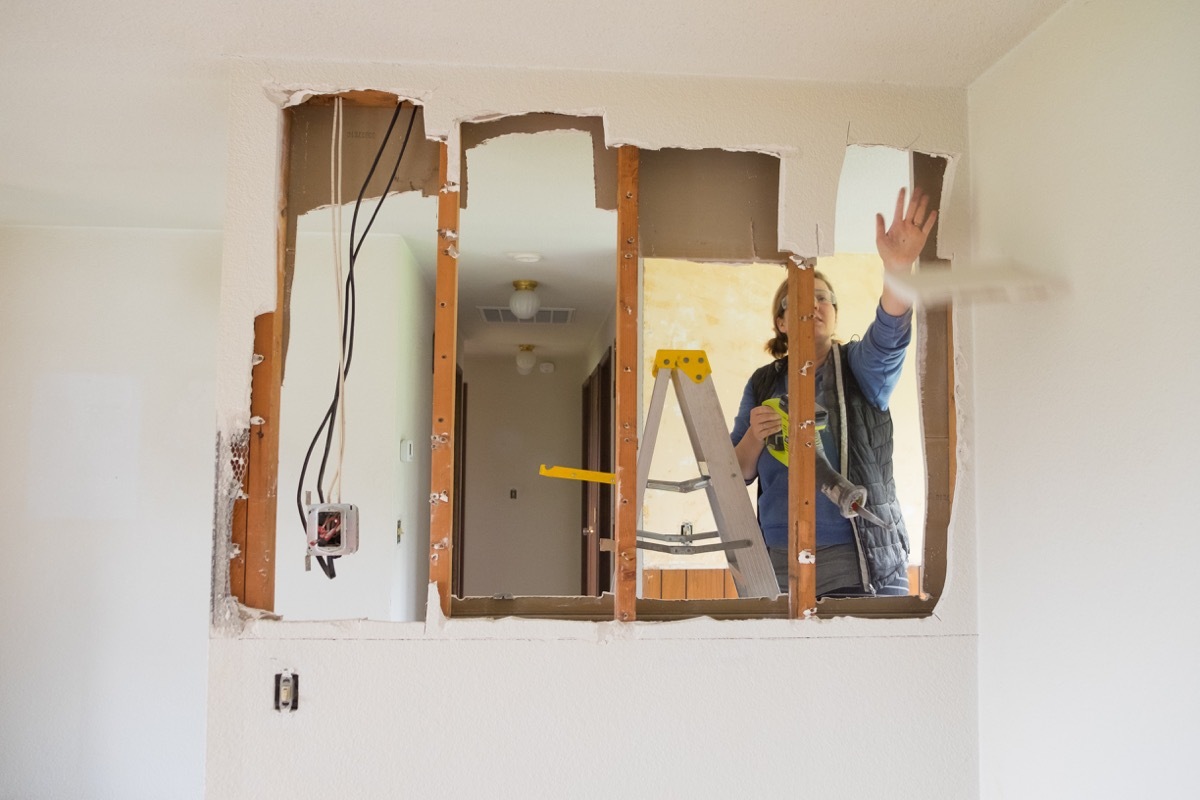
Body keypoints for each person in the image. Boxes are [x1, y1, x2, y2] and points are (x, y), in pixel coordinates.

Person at [731, 188, 936, 596]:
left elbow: (890, 337)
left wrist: (897, 269)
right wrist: (755, 435)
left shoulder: (859, 369)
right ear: (782, 322)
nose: (815, 303)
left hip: (860, 561)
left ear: (835, 314)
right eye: (801, 298)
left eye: (824, 297)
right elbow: (736, 473)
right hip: (778, 560)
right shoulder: (763, 382)